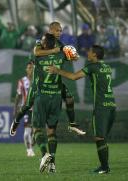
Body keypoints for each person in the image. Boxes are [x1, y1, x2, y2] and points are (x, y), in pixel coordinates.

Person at [47, 45, 116, 174]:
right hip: (112, 105)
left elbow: (74, 76)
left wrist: (57, 70)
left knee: (99, 138)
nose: (87, 53)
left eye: (89, 51)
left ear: (95, 54)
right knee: (102, 138)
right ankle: (104, 166)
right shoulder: (106, 67)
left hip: (101, 107)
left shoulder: (92, 67)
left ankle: (104, 167)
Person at [10, 21, 85, 137]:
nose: (59, 32)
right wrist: (54, 51)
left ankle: (72, 124)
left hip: (54, 80)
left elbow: (74, 56)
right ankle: (16, 121)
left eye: (60, 30)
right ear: (50, 31)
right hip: (39, 80)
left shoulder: (62, 45)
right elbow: (37, 52)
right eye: (57, 30)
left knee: (69, 98)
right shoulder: (42, 41)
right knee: (27, 105)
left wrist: (74, 55)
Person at [31, 33, 68, 173]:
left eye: (42, 41)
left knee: (37, 128)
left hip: (42, 97)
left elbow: (36, 50)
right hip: (56, 97)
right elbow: (69, 51)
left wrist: (44, 44)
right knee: (51, 131)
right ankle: (52, 163)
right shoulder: (60, 56)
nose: (40, 42)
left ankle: (44, 154)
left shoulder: (39, 55)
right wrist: (57, 45)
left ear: (45, 44)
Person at [13, 61, 35, 157]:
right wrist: (15, 109)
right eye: (29, 68)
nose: (31, 69)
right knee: (27, 132)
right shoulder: (22, 81)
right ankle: (29, 150)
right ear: (26, 69)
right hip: (26, 109)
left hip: (38, 110)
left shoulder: (40, 80)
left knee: (37, 133)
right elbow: (18, 96)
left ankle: (31, 146)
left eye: (32, 68)